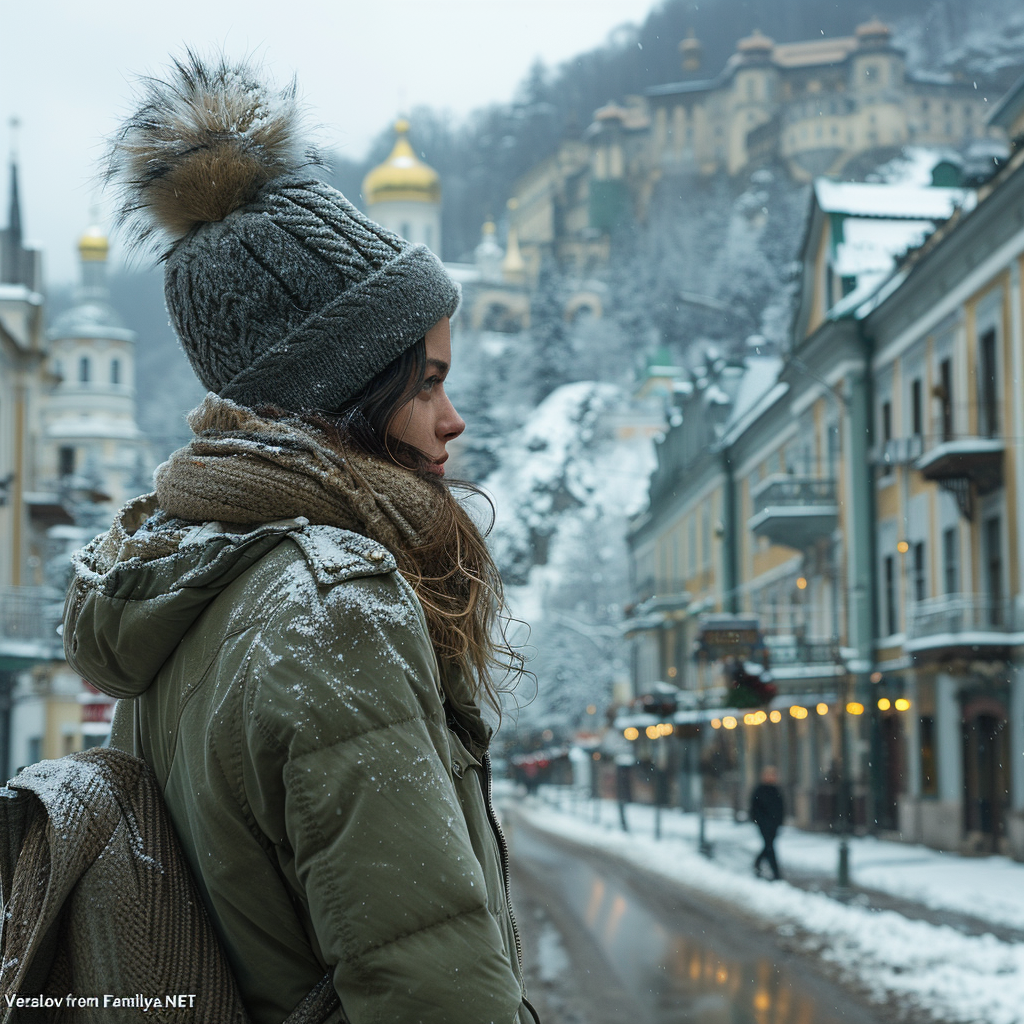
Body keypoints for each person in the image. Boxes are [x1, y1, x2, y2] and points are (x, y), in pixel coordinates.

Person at [63, 54, 536, 1024]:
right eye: (427, 381)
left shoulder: (187, 596)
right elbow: (434, 994)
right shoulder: (335, 610)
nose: (453, 421)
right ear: (348, 390)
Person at [750, 765, 785, 880]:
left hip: (774, 824)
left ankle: (758, 862)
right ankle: (776, 872)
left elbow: (780, 808)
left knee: (768, 846)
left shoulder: (776, 790)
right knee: (769, 846)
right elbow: (755, 809)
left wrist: (779, 821)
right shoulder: (759, 790)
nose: (772, 777)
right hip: (764, 824)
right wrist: (760, 821)